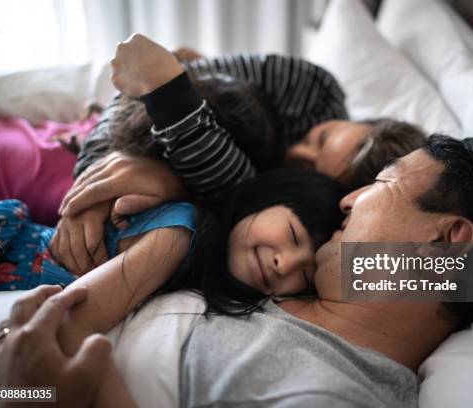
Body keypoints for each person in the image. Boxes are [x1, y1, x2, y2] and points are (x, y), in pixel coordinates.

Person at [0, 135, 473, 407]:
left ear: (447, 247)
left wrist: (30, 398)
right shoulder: (269, 289)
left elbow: (35, 387)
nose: (350, 200)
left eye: (381, 184)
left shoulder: (329, 394)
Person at [51, 34, 426, 277]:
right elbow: (147, 86)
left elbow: (237, 198)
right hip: (125, 136)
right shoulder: (313, 89)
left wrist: (170, 177)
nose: (296, 150)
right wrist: (88, 187)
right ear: (363, 120)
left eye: (306, 166)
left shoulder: (310, 211)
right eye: (322, 136)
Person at [0, 168, 346, 309]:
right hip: (1, 247)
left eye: (306, 275)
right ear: (263, 200)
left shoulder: (203, 278)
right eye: (292, 235)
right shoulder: (180, 233)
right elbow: (82, 313)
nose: (286, 264)